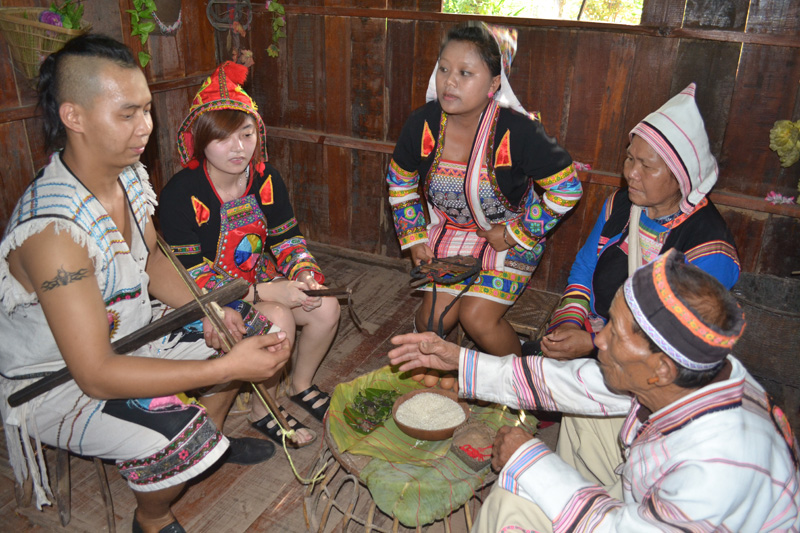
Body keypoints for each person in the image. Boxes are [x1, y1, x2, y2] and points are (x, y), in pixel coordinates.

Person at [0, 35, 291, 533]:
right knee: (180, 431)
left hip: (129, 331)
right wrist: (223, 365)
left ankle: (212, 439)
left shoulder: (128, 176)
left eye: (148, 111)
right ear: (74, 116)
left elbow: (154, 257)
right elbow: (94, 372)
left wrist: (208, 310)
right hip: (56, 378)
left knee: (246, 329)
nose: (146, 127)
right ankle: (153, 516)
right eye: (128, 114)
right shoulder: (54, 232)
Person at [389, 249, 800, 532]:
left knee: (513, 500)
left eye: (614, 332)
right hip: (652, 501)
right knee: (583, 414)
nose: (597, 339)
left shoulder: (718, 469)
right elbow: (567, 383)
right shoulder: (689, 375)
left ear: (660, 367)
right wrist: (459, 361)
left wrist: (530, 461)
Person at [531, 83, 742, 486]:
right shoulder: (621, 206)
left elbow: (666, 346)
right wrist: (571, 322)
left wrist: (593, 343)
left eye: (647, 165)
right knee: (545, 369)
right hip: (601, 338)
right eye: (629, 158)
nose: (630, 172)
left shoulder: (708, 251)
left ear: (681, 176)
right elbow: (584, 267)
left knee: (577, 403)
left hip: (658, 374)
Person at [159, 61, 340, 447]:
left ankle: (301, 385)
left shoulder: (266, 178)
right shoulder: (181, 193)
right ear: (199, 141)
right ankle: (264, 410)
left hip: (257, 278)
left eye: (245, 134)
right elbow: (188, 272)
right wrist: (265, 294)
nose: (238, 148)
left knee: (326, 308)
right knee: (277, 321)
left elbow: (287, 239)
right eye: (223, 138)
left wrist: (305, 273)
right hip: (203, 298)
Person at [386, 22, 582, 356]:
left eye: (465, 73)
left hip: (511, 241)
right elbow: (400, 181)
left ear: (494, 83)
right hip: (448, 235)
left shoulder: (518, 131)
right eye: (444, 69)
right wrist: (416, 238)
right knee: (433, 319)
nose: (450, 81)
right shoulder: (422, 123)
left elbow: (567, 188)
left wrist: (514, 233)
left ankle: (521, 389)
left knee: (477, 318)